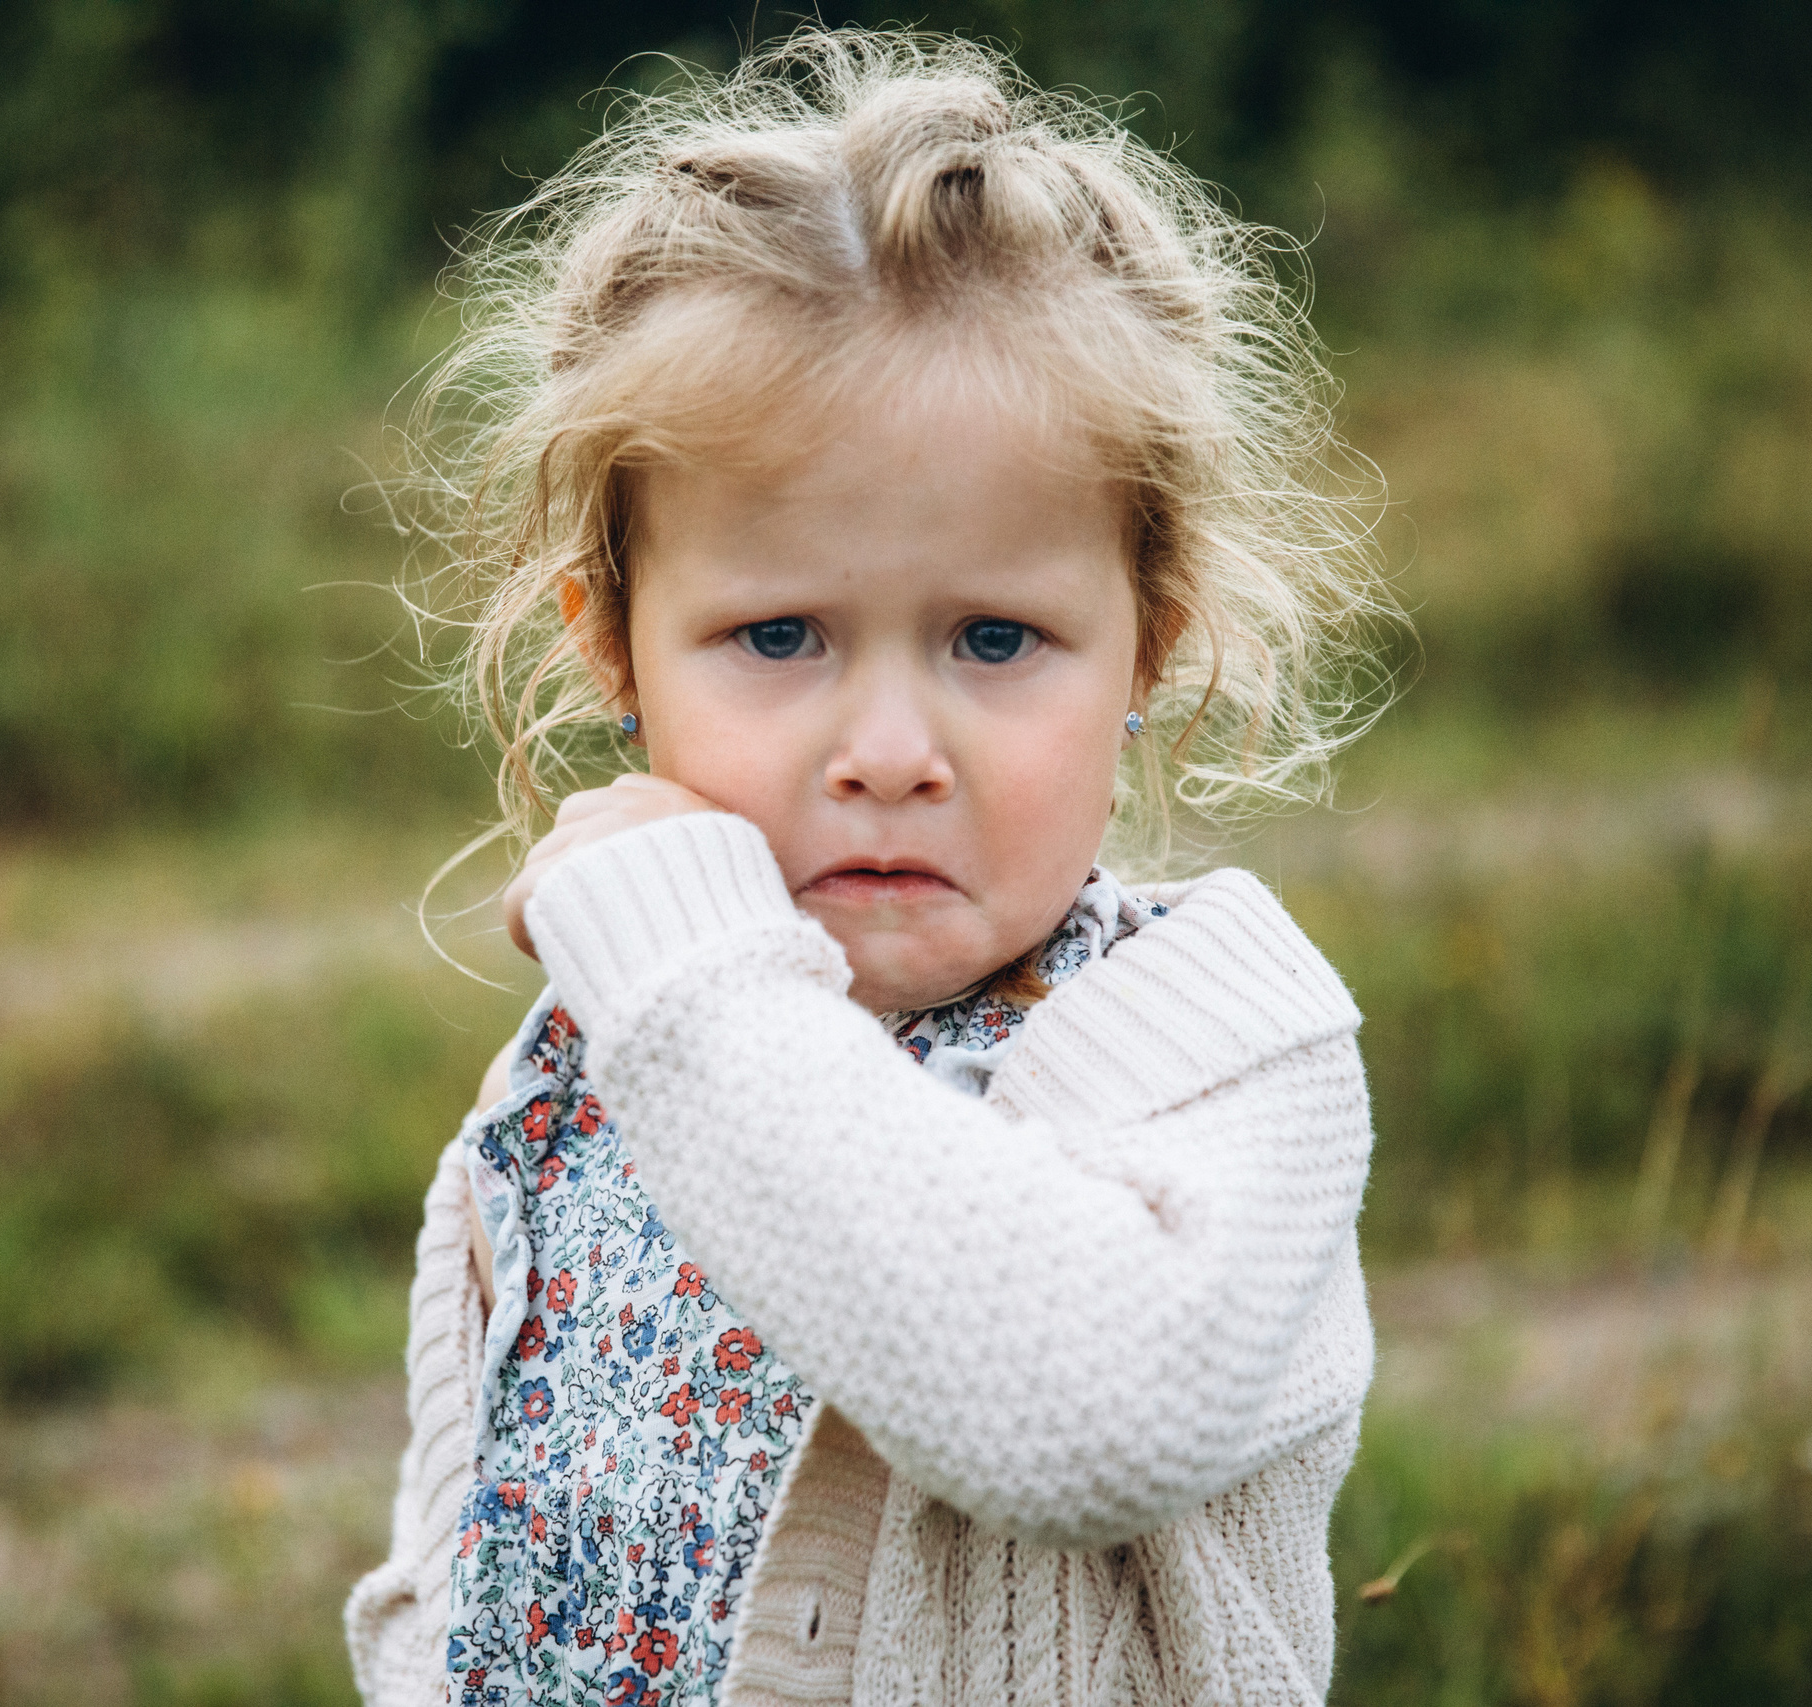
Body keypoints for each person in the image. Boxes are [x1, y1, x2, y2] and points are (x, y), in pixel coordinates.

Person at [348, 28, 1392, 1707]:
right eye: (777, 635)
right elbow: (473, 1553)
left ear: (1152, 649)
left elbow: (1084, 1419)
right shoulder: (598, 1058)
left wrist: (692, 988)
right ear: (618, 649)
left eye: (997, 637)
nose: (890, 747)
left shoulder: (1225, 1063)